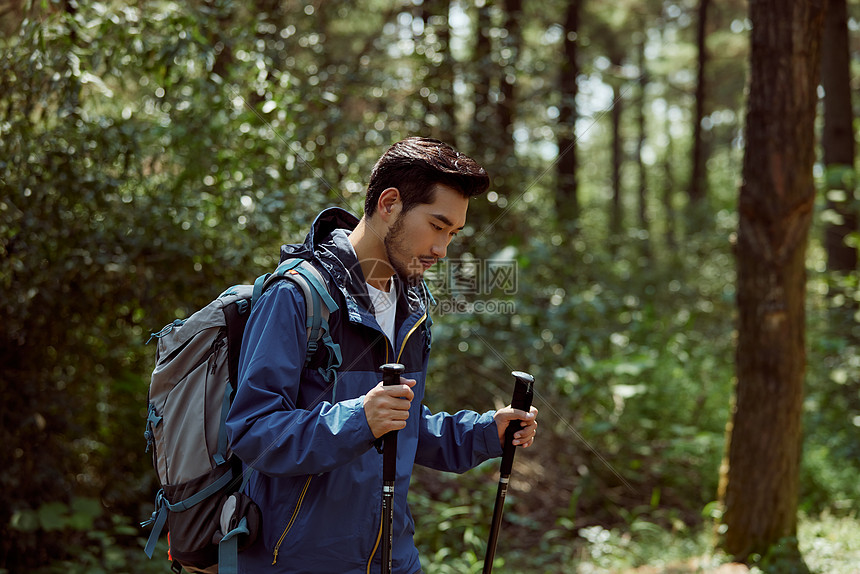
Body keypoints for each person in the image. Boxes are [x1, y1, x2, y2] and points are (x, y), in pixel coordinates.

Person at [225, 137, 539, 574]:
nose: (441, 249)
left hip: (392, 558)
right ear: (390, 203)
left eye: (452, 233)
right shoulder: (297, 297)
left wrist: (487, 433)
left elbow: (400, 424)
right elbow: (253, 430)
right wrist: (359, 419)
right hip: (297, 562)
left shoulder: (411, 304)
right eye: (436, 225)